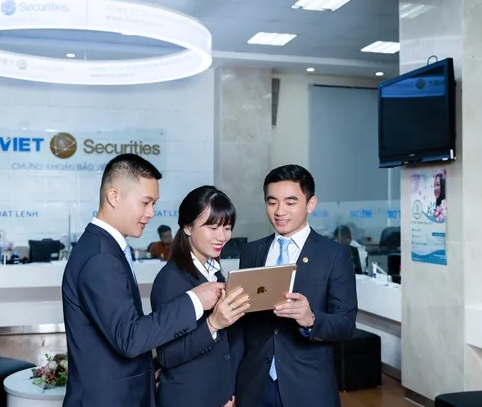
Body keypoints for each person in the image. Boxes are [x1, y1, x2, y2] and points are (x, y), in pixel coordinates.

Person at [61, 154, 224, 407]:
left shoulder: (105, 248)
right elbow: (130, 338)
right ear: (114, 196)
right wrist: (194, 300)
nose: (151, 213)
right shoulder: (100, 258)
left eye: (154, 204)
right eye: (146, 202)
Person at [232, 164, 357, 407]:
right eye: (272, 202)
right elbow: (241, 328)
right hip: (254, 385)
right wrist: (230, 385)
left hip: (307, 388)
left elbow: (346, 325)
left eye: (290, 202)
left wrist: (311, 319)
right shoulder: (251, 251)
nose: (280, 211)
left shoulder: (334, 255)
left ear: (311, 204)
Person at [151, 186, 250, 407]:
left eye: (227, 228)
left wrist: (230, 392)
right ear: (187, 227)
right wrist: (213, 324)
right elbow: (167, 356)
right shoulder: (170, 279)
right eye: (212, 227)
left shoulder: (215, 273)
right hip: (188, 398)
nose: (222, 236)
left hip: (219, 396)